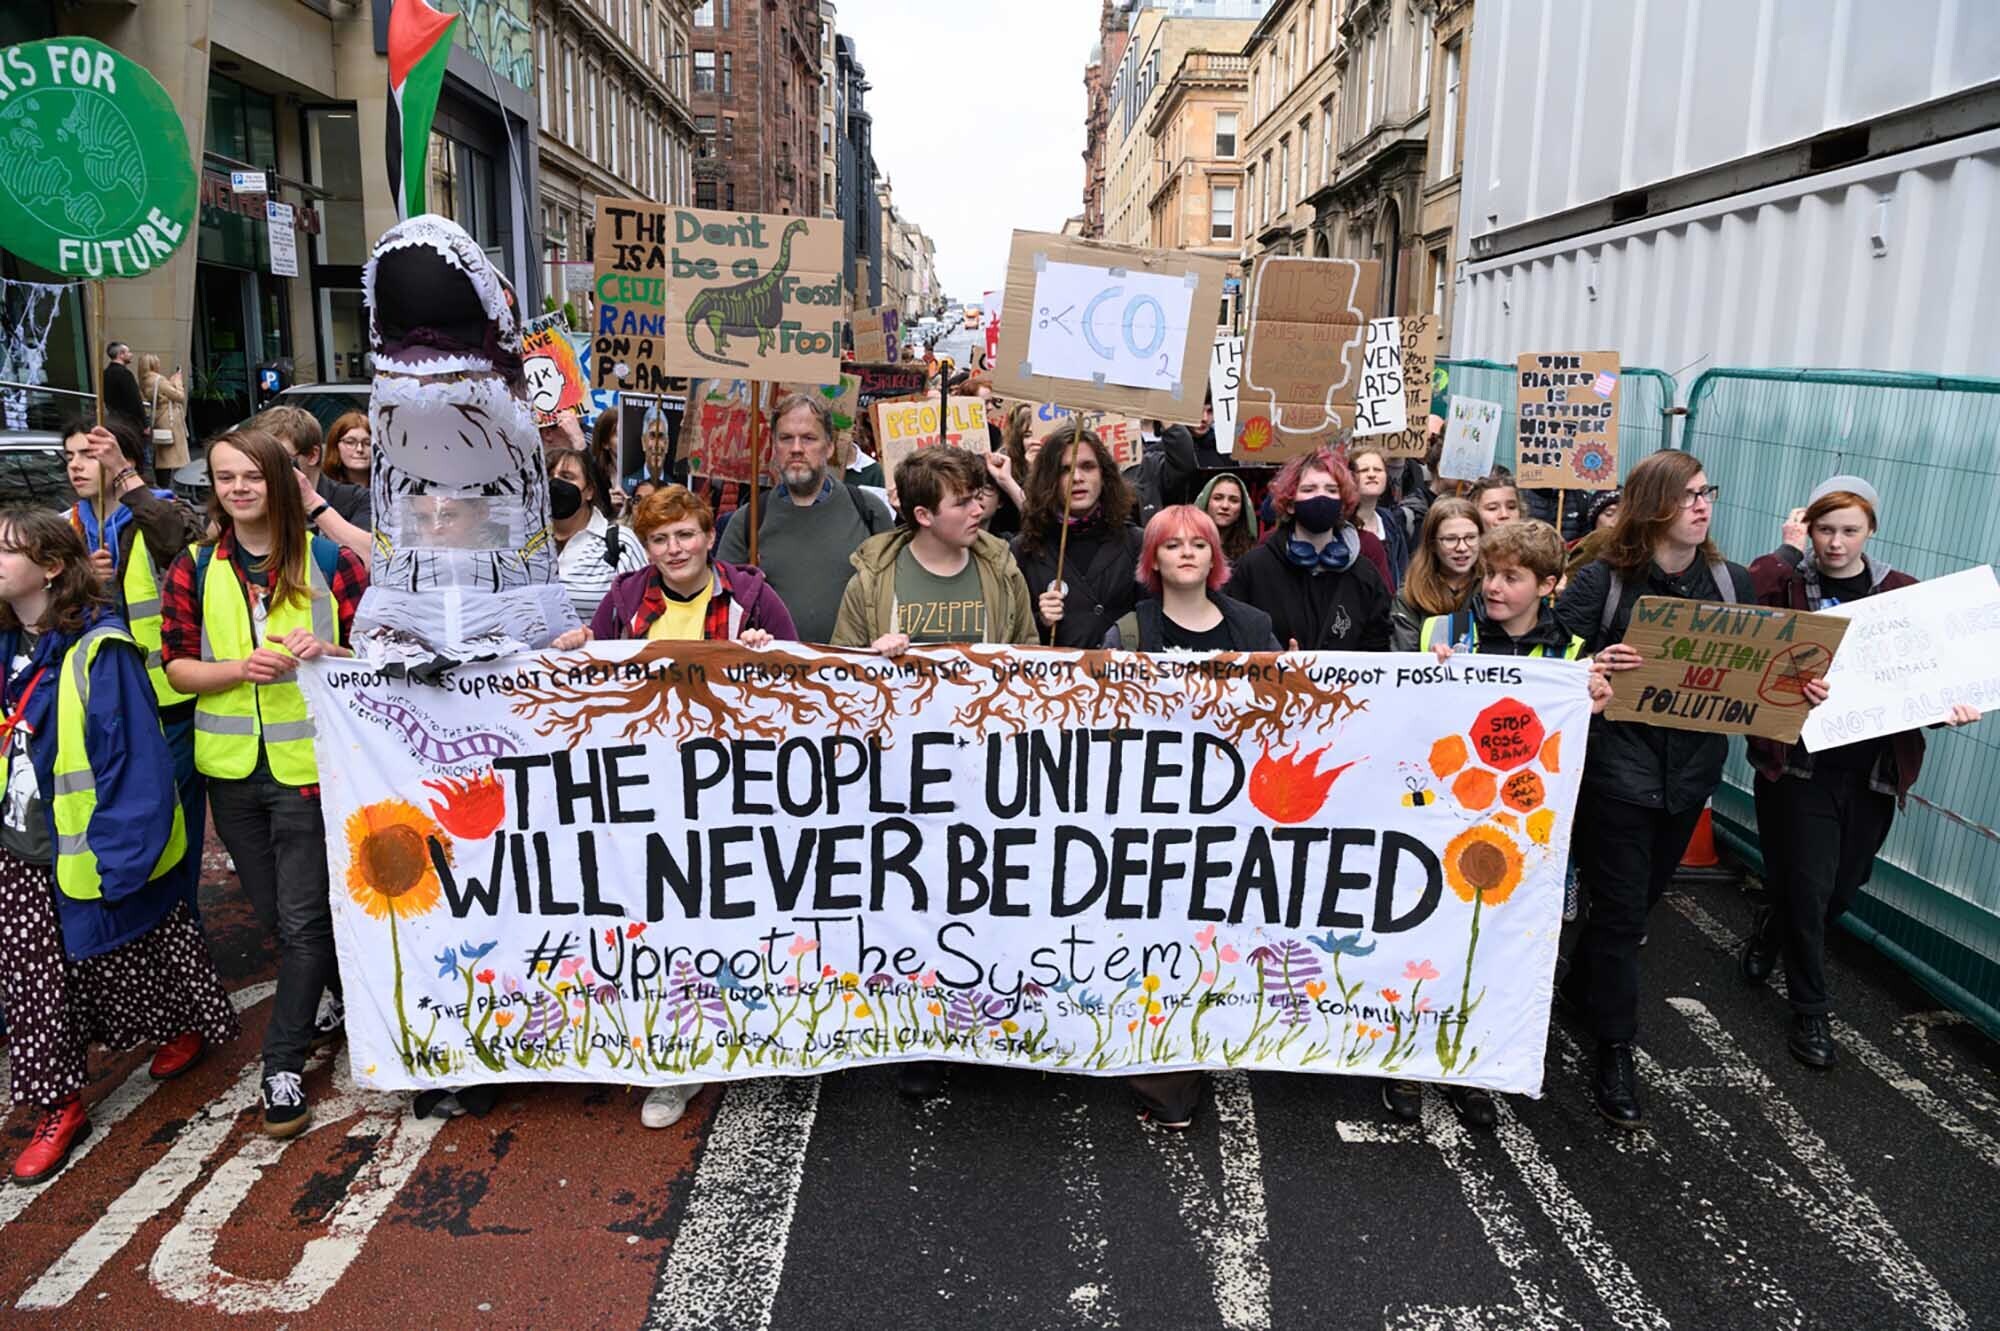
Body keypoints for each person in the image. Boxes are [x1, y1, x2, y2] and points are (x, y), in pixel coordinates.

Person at [0, 509, 240, 1184]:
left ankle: (179, 1024)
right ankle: (58, 1104)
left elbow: (133, 760)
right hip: (20, 843)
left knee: (132, 946)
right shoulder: (6, 646)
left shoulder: (99, 651)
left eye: (5, 549)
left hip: (91, 845)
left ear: (50, 566)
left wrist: (122, 855)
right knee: (36, 983)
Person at [554, 484, 795, 1125]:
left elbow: (799, 685)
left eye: (685, 534)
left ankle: (743, 1037)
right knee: (660, 926)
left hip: (731, 795)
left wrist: (774, 658)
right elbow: (595, 683)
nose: (674, 548)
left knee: (731, 924)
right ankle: (676, 1063)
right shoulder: (628, 599)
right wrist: (577, 649)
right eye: (660, 539)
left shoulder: (751, 598)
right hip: (649, 793)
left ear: (709, 536)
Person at [160, 429, 367, 1139]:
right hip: (231, 774)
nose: (238, 488)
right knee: (280, 918)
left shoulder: (330, 558)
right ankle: (339, 999)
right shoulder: (192, 566)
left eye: (251, 475)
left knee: (305, 922)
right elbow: (177, 666)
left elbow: (378, 652)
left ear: (279, 481)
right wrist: (235, 670)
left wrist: (331, 650)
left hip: (309, 766)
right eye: (225, 477)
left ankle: (281, 1065)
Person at [1379, 519, 1615, 1130]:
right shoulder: (1442, 632)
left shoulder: (1570, 656)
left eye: (1511, 577)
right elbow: (1398, 716)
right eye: (1488, 573)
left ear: (1549, 585)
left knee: (1497, 947)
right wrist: (1426, 677)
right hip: (1440, 820)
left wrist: (1592, 700)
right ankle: (1407, 1060)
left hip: (1522, 833)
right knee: (1426, 939)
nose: (1492, 586)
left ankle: (1472, 1067)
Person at [1739, 477, 1980, 1068]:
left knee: (1841, 889)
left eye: (1850, 530)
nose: (1837, 542)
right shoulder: (1787, 584)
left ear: (1871, 531)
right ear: (1808, 528)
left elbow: (1933, 676)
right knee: (1811, 887)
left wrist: (1953, 708)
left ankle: (1775, 925)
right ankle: (1811, 1012)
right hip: (1799, 767)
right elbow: (1744, 616)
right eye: (1825, 529)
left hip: (1872, 771)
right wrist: (1787, 550)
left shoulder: (1903, 594)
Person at [1553, 450, 1750, 1129]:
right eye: (1688, 494)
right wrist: (1590, 669)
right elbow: (1548, 660)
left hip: (1689, 777)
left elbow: (1761, 671)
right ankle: (1615, 1047)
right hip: (1615, 775)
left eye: (1707, 492)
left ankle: (1581, 986)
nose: (1703, 505)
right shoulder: (1603, 583)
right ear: (1653, 504)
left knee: (1635, 903)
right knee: (1622, 919)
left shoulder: (1732, 583)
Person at [832, 446, 1036, 1099]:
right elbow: (840, 678)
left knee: (988, 898)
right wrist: (871, 659)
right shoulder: (872, 580)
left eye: (979, 496)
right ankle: (924, 1033)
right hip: (905, 780)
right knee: (916, 906)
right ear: (923, 514)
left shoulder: (1001, 568)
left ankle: (987, 1028)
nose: (978, 508)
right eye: (962, 501)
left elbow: (1031, 657)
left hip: (985, 771)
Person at [60, 418, 209, 892]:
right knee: (112, 812)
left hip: (165, 698)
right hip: (96, 699)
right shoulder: (67, 527)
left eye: (89, 453)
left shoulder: (155, 509)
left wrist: (125, 474)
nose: (77, 466)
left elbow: (179, 541)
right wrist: (80, 580)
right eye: (69, 457)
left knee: (171, 814)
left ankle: (178, 915)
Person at [715, 393, 894, 644]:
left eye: (809, 438)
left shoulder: (868, 511)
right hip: (773, 674)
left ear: (830, 446)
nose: (797, 449)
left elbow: (894, 596)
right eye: (786, 438)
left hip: (852, 675)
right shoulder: (748, 521)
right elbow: (721, 604)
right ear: (774, 447)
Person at [1223, 448, 1392, 652]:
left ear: (1342, 503)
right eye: (1309, 489)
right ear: (1291, 503)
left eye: (1331, 490)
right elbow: (1233, 639)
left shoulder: (1365, 576)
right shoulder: (1254, 569)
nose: (1321, 497)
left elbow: (1378, 650)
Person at [1010, 423, 1143, 649]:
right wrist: (1040, 620)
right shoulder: (1025, 548)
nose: (1077, 478)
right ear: (1049, 479)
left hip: (1119, 678)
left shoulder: (1136, 541)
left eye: (1088, 466)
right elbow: (1008, 632)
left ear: (1104, 474)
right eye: (1065, 470)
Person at [250, 405, 374, 561]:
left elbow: (370, 557)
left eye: (280, 459)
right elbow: (212, 539)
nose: (269, 470)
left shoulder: (357, 498)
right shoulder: (255, 497)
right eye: (260, 461)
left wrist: (311, 503)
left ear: (312, 455)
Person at [546, 447, 646, 623]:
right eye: (549, 476)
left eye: (567, 477)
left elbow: (641, 614)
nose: (554, 484)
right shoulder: (523, 542)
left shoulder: (619, 542)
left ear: (589, 491)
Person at [1390, 498, 1484, 651]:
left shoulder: (1493, 587)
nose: (1462, 547)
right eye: (1450, 539)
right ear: (1432, 544)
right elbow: (1404, 658)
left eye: (1471, 537)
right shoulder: (1409, 595)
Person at [1349, 446, 1416, 589]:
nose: (1372, 474)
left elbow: (1402, 570)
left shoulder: (1389, 520)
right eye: (1364, 470)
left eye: (1378, 470)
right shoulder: (1342, 524)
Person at [137, 353, 190, 481]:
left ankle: (164, 481)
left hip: (158, 416)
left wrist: (170, 383)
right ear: (153, 365)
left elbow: (161, 394)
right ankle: (176, 482)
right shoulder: (158, 380)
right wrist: (178, 382)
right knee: (173, 454)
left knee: (162, 452)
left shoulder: (144, 380)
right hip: (169, 417)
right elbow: (179, 397)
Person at [1197, 472, 1259, 563]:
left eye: (1234, 500)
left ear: (1242, 509)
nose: (1225, 506)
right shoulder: (1187, 545)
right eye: (1218, 498)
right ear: (1206, 502)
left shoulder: (1251, 555)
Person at [101, 341, 144, 438]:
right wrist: (144, 424)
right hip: (130, 422)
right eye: (128, 352)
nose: (131, 355)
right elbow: (135, 400)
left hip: (114, 420)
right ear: (121, 354)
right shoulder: (125, 374)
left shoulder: (105, 373)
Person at [322, 411, 371, 489]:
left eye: (368, 443)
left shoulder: (391, 490)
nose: (360, 449)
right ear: (335, 446)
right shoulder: (322, 490)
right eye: (350, 442)